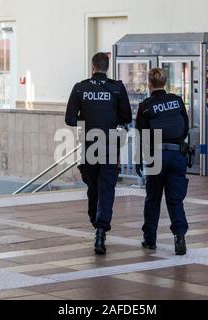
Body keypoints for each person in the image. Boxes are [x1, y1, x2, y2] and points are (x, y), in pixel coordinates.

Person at [66, 53, 132, 255]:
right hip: (110, 144)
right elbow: (127, 117)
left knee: (93, 187)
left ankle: (96, 223)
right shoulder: (117, 88)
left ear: (92, 66)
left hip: (89, 145)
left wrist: (87, 117)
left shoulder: (80, 87)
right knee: (107, 188)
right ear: (107, 67)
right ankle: (101, 230)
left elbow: (69, 119)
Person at [135, 68, 190, 256]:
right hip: (177, 155)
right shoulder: (177, 101)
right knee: (175, 199)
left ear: (149, 84)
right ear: (164, 83)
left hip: (156, 155)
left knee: (153, 198)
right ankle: (180, 237)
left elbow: (141, 135)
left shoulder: (146, 106)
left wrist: (138, 160)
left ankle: (150, 240)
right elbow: (185, 128)